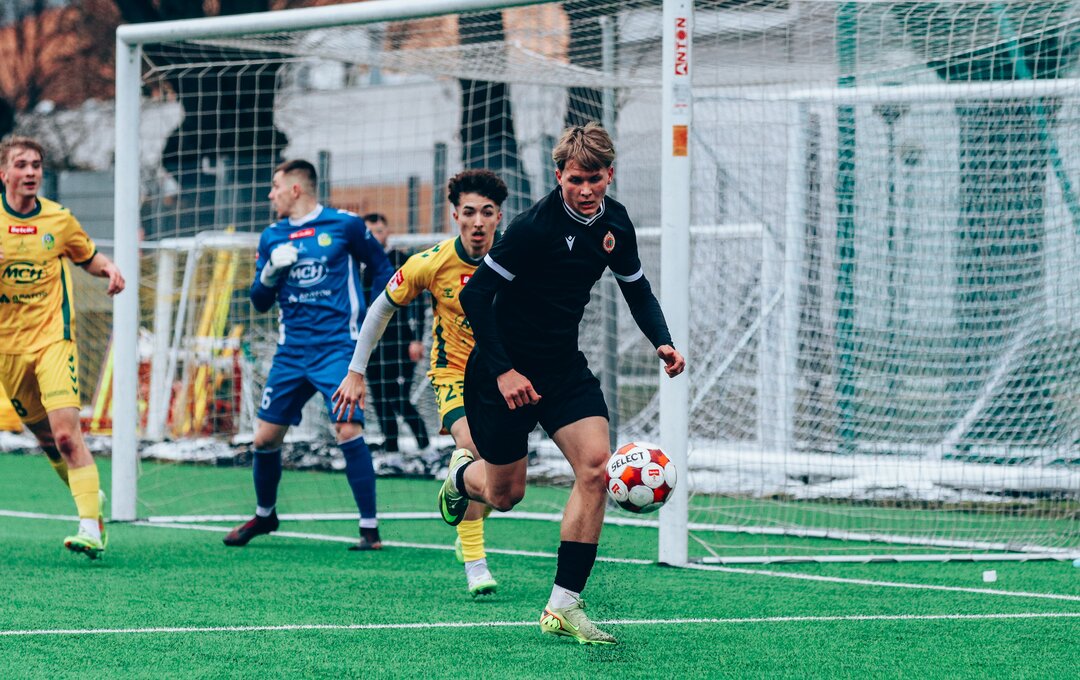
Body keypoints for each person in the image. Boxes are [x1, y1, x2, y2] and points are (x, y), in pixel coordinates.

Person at [440, 124, 685, 645]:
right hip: (502, 370)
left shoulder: (615, 222)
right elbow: (475, 296)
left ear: (609, 174)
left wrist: (662, 341)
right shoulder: (532, 228)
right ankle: (460, 478)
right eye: (576, 180)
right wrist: (504, 372)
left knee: (596, 467)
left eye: (595, 179)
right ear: (559, 177)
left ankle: (563, 605)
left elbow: (637, 289)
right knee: (506, 495)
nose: (586, 190)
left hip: (562, 368)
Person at [334, 170, 507, 598]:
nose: (478, 222)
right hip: (452, 374)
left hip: (502, 377)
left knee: (502, 486)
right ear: (455, 215)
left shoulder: (515, 259)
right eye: (470, 212)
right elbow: (380, 309)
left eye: (487, 212)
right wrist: (356, 371)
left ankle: (458, 489)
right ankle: (476, 565)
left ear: (499, 217)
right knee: (475, 448)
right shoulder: (430, 262)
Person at [223, 159, 394, 551]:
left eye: (275, 186)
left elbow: (383, 268)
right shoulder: (271, 236)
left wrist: (372, 318)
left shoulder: (345, 225)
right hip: (291, 352)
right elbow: (259, 301)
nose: (271, 195)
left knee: (347, 428)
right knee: (264, 438)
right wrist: (269, 274)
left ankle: (369, 529)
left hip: (337, 348)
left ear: (295, 189)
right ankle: (265, 515)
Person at [0, 136, 125, 559]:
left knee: (68, 436)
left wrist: (108, 268)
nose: (30, 172)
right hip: (8, 350)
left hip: (53, 340)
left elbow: (87, 256)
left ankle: (90, 526)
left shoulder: (59, 219)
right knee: (48, 442)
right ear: (4, 173)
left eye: (36, 164)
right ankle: (91, 497)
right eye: (21, 164)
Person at [360, 212, 430, 455]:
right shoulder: (359, 265)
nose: (374, 237)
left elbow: (418, 304)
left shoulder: (402, 261)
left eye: (378, 231)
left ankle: (425, 447)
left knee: (398, 396)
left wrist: (417, 339)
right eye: (369, 233)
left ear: (387, 232)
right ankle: (392, 452)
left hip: (400, 341)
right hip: (371, 343)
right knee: (379, 398)